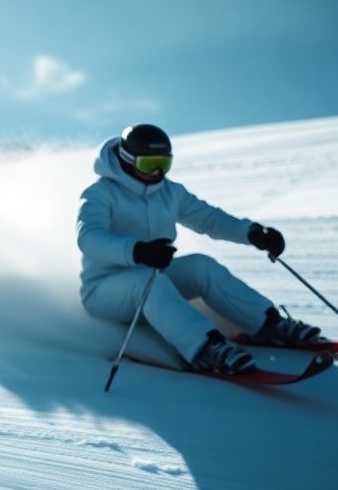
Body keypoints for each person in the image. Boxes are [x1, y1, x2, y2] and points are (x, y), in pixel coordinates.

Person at [76, 123, 324, 374]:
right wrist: (138, 251)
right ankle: (204, 348)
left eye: (164, 164)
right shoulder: (100, 193)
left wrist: (252, 233)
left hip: (154, 277)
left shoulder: (170, 192)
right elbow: (88, 238)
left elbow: (209, 219)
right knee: (147, 281)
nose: (157, 172)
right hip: (105, 291)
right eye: (149, 164)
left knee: (201, 266)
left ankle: (267, 324)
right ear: (128, 160)